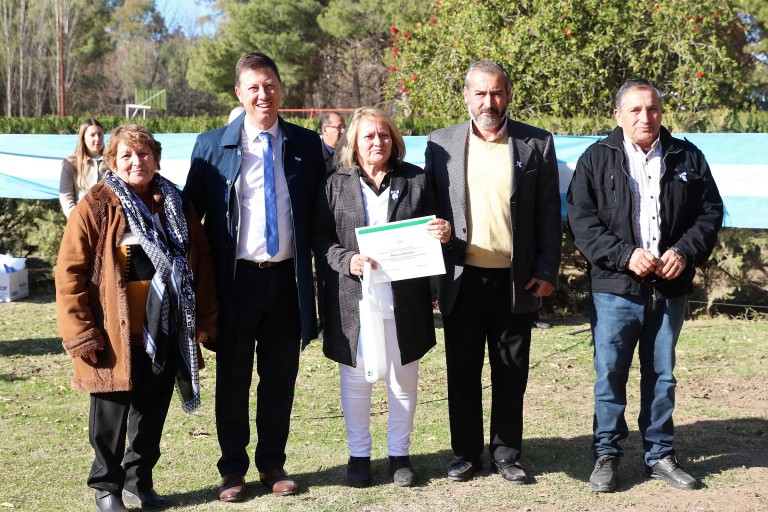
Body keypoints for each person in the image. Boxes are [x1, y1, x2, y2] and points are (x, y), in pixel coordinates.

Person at [566, 78, 723, 493]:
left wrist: (684, 251)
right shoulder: (595, 158)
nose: (645, 117)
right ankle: (606, 455)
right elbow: (581, 221)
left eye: (652, 108)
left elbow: (709, 214)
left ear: (661, 112)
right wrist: (624, 255)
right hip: (614, 288)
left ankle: (660, 455)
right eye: (635, 109)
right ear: (618, 115)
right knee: (610, 375)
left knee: (662, 376)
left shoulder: (687, 156)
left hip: (669, 289)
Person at [184, 52, 325, 501]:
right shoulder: (212, 146)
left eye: (270, 85)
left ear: (281, 89)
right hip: (235, 284)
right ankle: (232, 470)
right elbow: (188, 218)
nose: (263, 95)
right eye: (253, 88)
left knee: (280, 378)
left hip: (286, 281)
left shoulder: (307, 145)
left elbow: (326, 211)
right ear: (239, 94)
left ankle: (272, 464)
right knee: (233, 379)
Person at [55, 124, 218, 512]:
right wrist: (81, 333)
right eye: (126, 155)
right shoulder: (96, 205)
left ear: (156, 158)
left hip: (164, 330)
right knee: (110, 417)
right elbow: (69, 272)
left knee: (151, 412)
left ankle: (137, 482)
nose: (136, 162)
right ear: (112, 161)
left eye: (144, 154)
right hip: (113, 333)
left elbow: (201, 260)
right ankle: (105, 487)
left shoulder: (175, 202)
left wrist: (204, 319)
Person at [425, 61, 562, 484]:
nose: (489, 101)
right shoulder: (440, 143)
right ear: (467, 96)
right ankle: (466, 453)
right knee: (462, 371)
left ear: (508, 96)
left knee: (511, 371)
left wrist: (547, 269)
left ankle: (506, 454)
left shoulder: (537, 142)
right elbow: (429, 210)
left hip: (516, 280)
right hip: (460, 278)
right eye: (481, 93)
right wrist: (431, 276)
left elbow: (548, 213)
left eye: (497, 92)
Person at [313, 107, 451, 488]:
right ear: (354, 143)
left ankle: (399, 456)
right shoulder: (334, 184)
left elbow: (435, 227)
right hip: (354, 298)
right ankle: (359, 456)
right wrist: (347, 260)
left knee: (403, 378)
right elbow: (320, 238)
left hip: (405, 299)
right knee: (357, 380)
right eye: (369, 136)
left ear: (395, 140)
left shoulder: (416, 180)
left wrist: (442, 232)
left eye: (385, 135)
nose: (378, 141)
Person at [59, 118, 106, 218]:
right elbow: (66, 196)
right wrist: (77, 219)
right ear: (83, 138)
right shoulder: (71, 163)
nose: (97, 138)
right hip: (81, 220)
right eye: (92, 135)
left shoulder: (112, 162)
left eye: (100, 134)